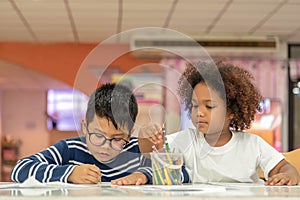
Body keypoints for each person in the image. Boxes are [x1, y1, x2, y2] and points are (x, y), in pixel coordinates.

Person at [140, 60, 300, 186]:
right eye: (195, 105)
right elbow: (150, 150)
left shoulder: (252, 144)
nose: (199, 112)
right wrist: (148, 135)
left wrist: (287, 175)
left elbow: (284, 168)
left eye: (209, 106)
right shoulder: (187, 139)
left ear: (231, 112)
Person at [10, 83, 152, 185]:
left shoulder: (136, 149)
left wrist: (144, 175)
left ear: (129, 134)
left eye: (117, 139)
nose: (105, 146)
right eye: (97, 135)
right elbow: (19, 169)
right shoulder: (70, 149)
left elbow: (166, 172)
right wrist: (70, 173)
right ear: (85, 127)